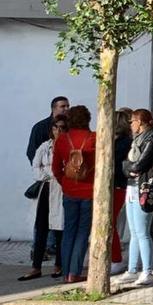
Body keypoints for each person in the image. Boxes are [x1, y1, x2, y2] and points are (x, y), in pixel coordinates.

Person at [18, 115, 67, 281]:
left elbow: (67, 169)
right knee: (41, 228)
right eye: (55, 128)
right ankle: (36, 267)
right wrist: (48, 175)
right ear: (51, 130)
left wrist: (52, 174)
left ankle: (59, 265)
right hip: (45, 191)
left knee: (59, 228)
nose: (58, 131)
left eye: (61, 128)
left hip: (60, 190)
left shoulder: (69, 147)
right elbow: (35, 167)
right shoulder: (45, 147)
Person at [51, 105, 96, 284]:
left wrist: (65, 183)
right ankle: (74, 273)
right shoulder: (94, 138)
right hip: (89, 191)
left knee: (69, 231)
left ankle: (65, 273)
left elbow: (55, 168)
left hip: (69, 191)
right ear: (87, 119)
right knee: (82, 232)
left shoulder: (62, 139)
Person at [114, 109, 153, 287]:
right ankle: (132, 270)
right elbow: (126, 165)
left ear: (140, 122)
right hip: (131, 188)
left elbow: (140, 165)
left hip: (144, 187)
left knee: (142, 232)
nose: (130, 124)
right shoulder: (136, 140)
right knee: (133, 232)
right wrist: (129, 168)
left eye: (132, 121)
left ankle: (147, 271)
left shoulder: (151, 139)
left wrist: (130, 167)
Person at [110, 109, 132, 275]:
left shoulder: (123, 142)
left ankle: (116, 259)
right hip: (115, 185)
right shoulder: (118, 141)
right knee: (112, 224)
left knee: (111, 224)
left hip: (118, 185)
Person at [27, 96, 69, 163]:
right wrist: (43, 171)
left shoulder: (72, 126)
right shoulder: (39, 127)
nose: (67, 108)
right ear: (53, 109)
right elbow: (32, 153)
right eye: (63, 106)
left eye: (68, 106)